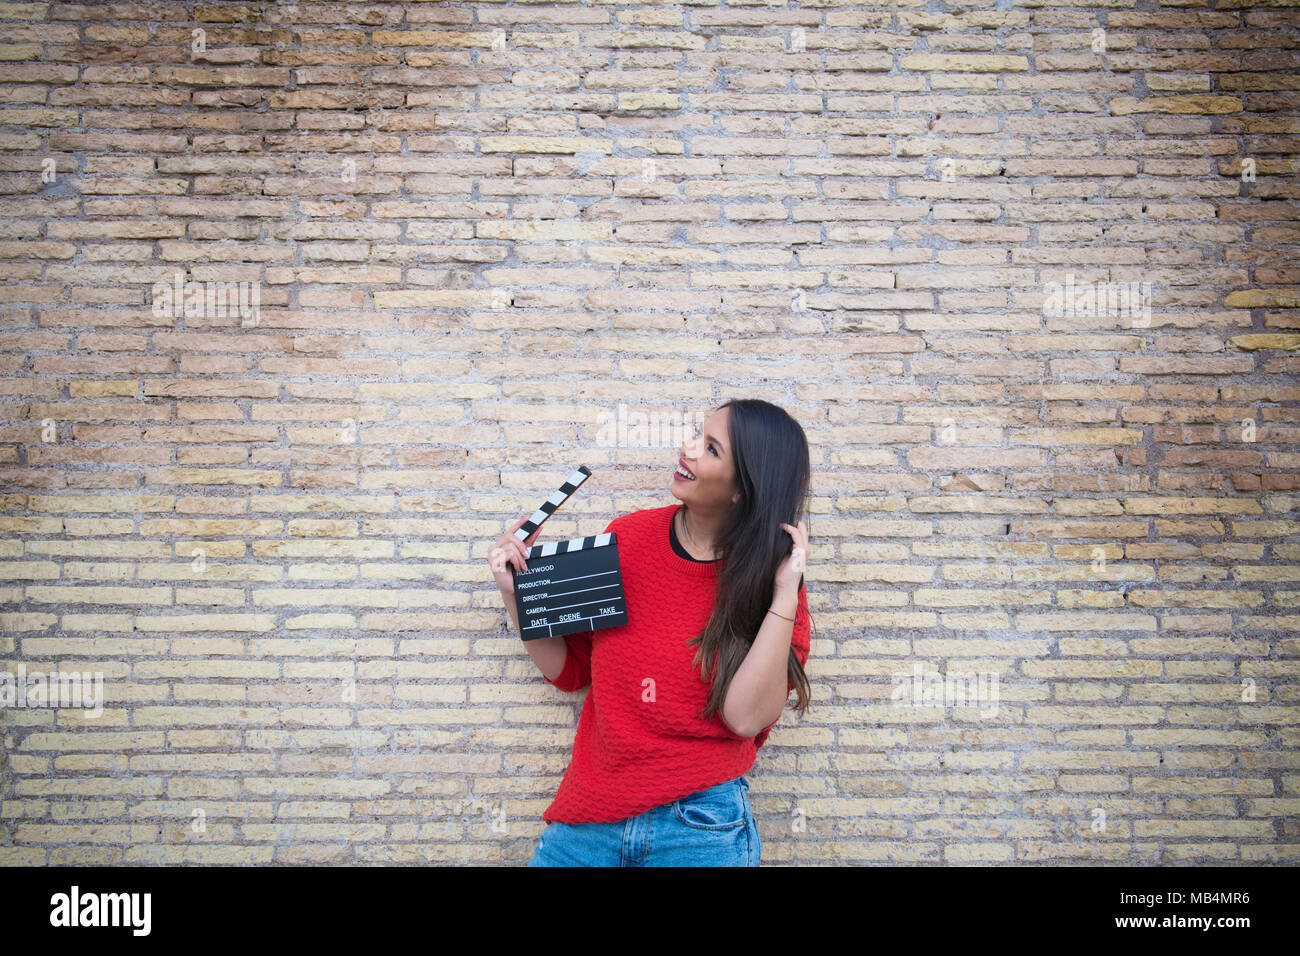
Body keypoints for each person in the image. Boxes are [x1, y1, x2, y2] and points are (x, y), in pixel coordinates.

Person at [488, 398, 814, 866]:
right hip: (591, 818)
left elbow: (745, 719)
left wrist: (784, 594)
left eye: (711, 448)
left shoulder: (774, 580)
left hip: (702, 826)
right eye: (696, 434)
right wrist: (515, 593)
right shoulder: (629, 537)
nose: (688, 449)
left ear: (743, 488)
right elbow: (573, 670)